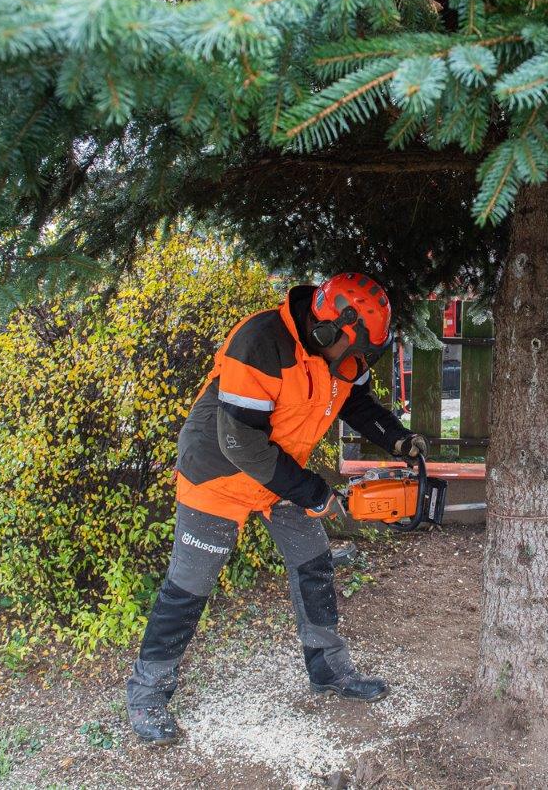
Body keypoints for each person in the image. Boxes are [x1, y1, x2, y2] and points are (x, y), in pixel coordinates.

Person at [126, 273, 428, 745]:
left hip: (279, 467)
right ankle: (147, 693)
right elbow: (239, 441)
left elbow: (358, 402)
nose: (356, 362)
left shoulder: (345, 353)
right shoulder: (261, 343)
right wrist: (312, 492)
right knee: (190, 585)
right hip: (219, 470)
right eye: (352, 352)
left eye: (363, 355)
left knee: (313, 562)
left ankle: (328, 669)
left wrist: (397, 438)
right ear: (328, 329)